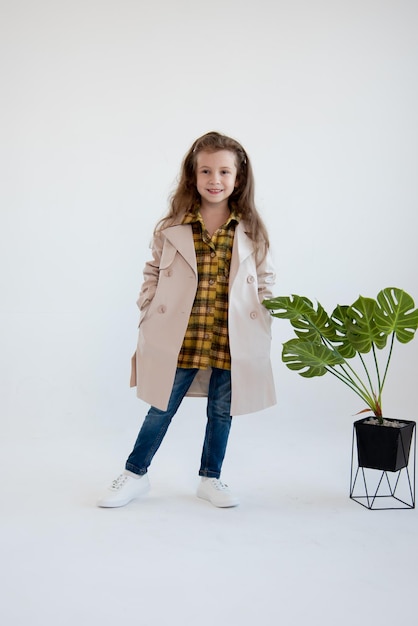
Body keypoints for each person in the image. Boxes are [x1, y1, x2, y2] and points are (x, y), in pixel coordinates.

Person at [97, 131, 276, 509]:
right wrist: (147, 306)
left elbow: (265, 281)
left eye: (224, 172)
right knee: (161, 407)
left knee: (221, 412)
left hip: (231, 337)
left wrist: (263, 317)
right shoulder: (173, 227)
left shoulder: (251, 231)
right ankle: (134, 474)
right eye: (206, 171)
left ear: (238, 178)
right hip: (181, 335)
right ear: (192, 177)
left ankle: (211, 479)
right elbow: (152, 272)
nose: (215, 180)